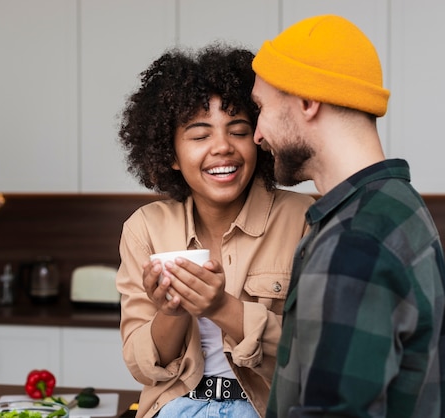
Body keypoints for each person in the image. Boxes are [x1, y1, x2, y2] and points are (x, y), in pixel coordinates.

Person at [250, 15, 445, 418]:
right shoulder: (396, 204)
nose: (257, 134)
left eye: (261, 107)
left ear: (308, 101)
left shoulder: (355, 241)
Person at [115, 43, 314, 418]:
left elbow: (316, 354)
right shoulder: (145, 228)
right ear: (170, 154)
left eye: (238, 131)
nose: (223, 147)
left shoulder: (304, 219)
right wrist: (172, 313)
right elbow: (142, 365)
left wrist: (221, 307)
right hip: (174, 407)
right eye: (200, 135)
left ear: (259, 139)